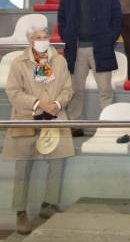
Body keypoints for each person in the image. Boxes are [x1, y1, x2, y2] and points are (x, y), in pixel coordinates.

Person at [3, 25, 74, 236]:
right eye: (37, 37)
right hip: (26, 119)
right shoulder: (18, 63)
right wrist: (38, 103)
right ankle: (21, 212)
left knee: (57, 160)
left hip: (54, 117)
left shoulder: (60, 61)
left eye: (45, 36)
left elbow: (68, 89)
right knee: (22, 167)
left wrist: (57, 105)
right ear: (30, 41)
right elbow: (13, 93)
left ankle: (49, 204)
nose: (43, 40)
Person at [57, 0, 122, 128]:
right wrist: (66, 36)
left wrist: (110, 38)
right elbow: (61, 17)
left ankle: (107, 125)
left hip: (100, 47)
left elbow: (117, 18)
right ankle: (75, 126)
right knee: (75, 91)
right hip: (76, 49)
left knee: (105, 91)